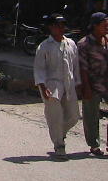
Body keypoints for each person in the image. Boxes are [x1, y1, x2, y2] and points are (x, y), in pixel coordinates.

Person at [35, 13, 81, 160]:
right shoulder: (44, 47)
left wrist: (78, 84)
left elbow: (75, 66)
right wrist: (42, 87)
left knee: (74, 116)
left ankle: (59, 133)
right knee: (55, 115)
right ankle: (59, 145)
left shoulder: (71, 44)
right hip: (51, 84)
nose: (61, 28)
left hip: (69, 83)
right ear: (51, 27)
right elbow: (39, 69)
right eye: (57, 25)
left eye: (63, 25)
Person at [78, 11, 108, 156]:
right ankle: (94, 145)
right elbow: (82, 67)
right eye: (104, 25)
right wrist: (86, 87)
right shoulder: (84, 44)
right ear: (95, 26)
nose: (107, 27)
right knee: (91, 114)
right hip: (92, 83)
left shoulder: (106, 40)